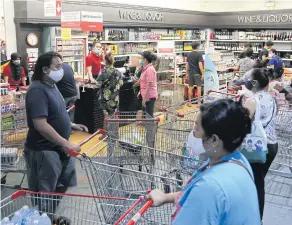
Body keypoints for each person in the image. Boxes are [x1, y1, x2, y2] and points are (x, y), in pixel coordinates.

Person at [147, 99, 261, 225]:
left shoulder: (209, 187)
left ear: (214, 140)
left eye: (196, 129)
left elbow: (206, 195)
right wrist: (166, 197)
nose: (192, 135)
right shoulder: (238, 161)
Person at [24, 51, 88, 224]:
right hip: (44, 150)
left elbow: (55, 113)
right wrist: (66, 143)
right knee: (45, 191)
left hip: (58, 149)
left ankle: (49, 217)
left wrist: (71, 125)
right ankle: (42, 219)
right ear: (45, 69)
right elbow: (41, 125)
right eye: (58, 66)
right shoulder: (37, 89)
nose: (62, 70)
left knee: (61, 184)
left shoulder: (52, 86)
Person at [244, 68, 278, 221]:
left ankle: (255, 218)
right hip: (272, 145)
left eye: (249, 78)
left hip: (257, 147)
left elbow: (243, 124)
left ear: (254, 82)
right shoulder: (272, 99)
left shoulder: (252, 100)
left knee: (256, 183)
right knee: (258, 180)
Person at [96, 52, 123, 117]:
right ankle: (115, 128)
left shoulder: (103, 72)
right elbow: (121, 84)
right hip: (115, 99)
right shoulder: (118, 72)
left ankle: (107, 128)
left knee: (107, 118)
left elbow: (98, 84)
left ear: (105, 61)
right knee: (115, 117)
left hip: (106, 100)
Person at [133, 51, 158, 117]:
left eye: (142, 58)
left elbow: (149, 85)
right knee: (146, 116)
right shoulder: (145, 69)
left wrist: (145, 98)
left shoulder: (150, 69)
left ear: (145, 59)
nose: (140, 59)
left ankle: (151, 127)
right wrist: (133, 86)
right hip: (145, 95)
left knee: (149, 116)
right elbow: (141, 81)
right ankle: (148, 126)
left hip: (149, 97)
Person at [186, 42, 204, 106]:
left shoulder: (189, 54)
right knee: (199, 88)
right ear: (197, 47)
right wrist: (203, 73)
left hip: (191, 73)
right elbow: (200, 64)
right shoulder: (199, 54)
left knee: (190, 88)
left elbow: (187, 65)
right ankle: (198, 103)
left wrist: (187, 73)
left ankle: (189, 102)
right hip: (197, 73)